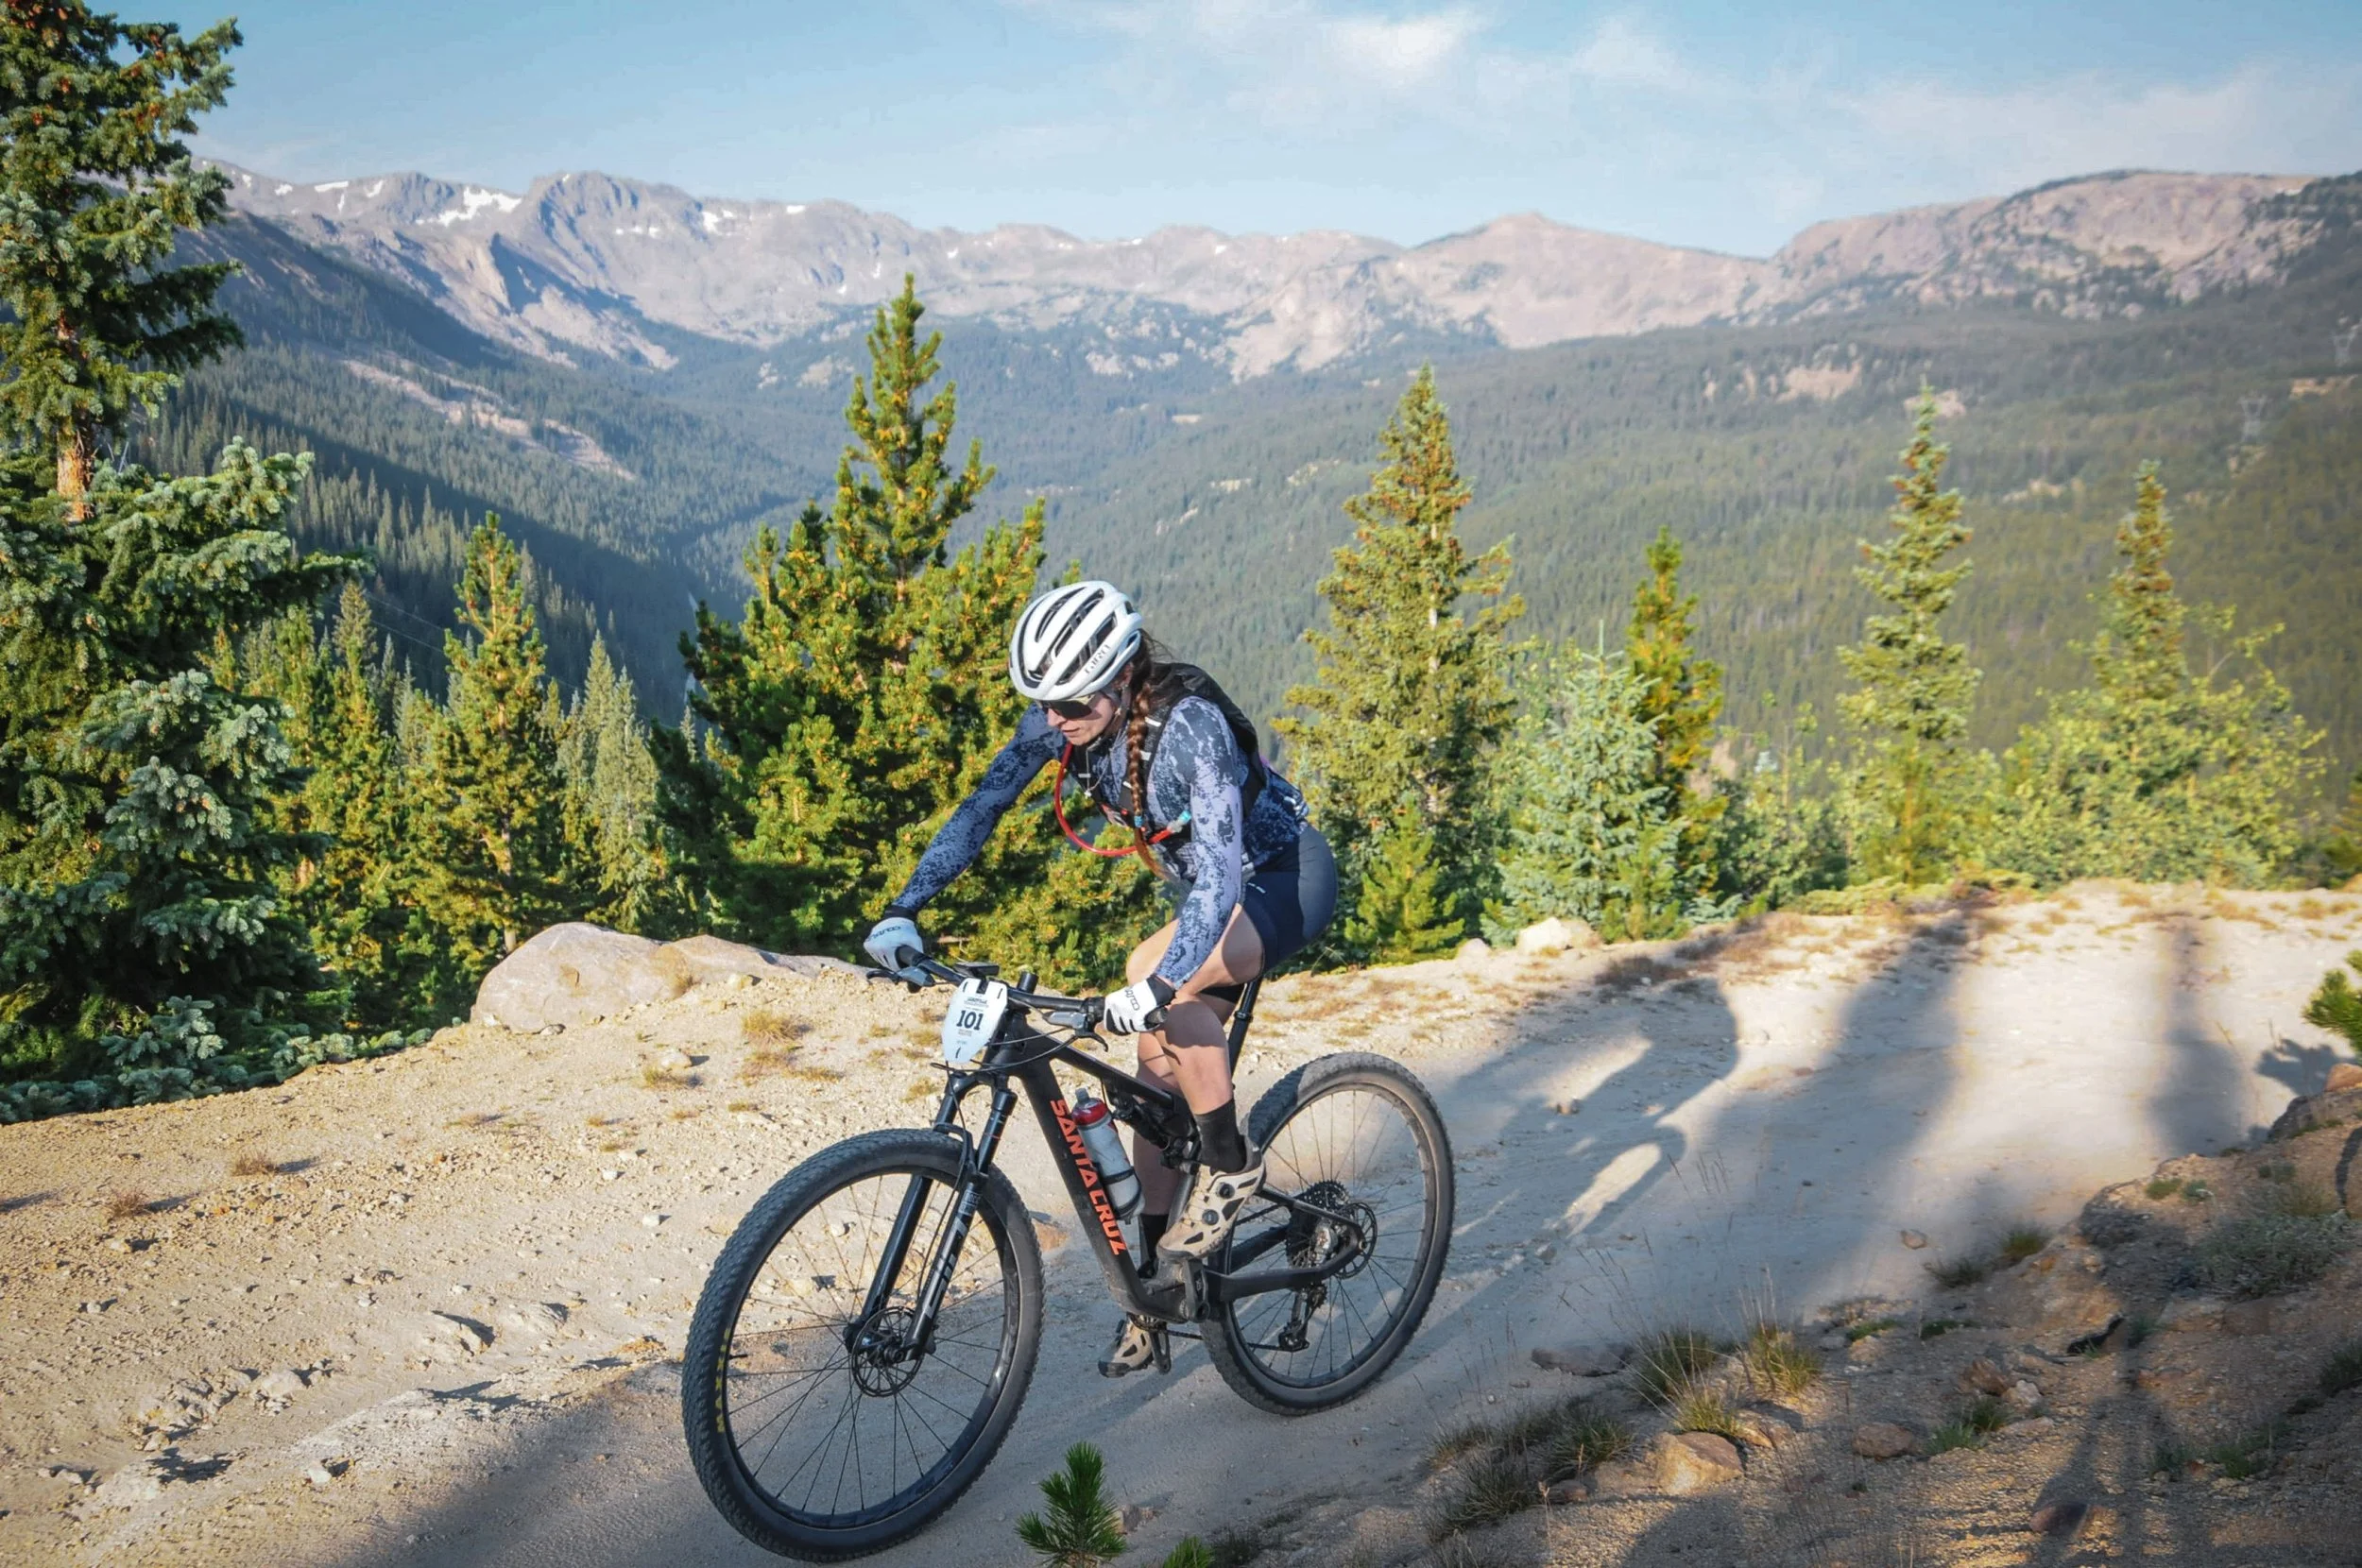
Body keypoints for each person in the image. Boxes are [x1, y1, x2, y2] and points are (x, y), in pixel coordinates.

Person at [863, 580, 1337, 1377]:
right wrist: (904, 907)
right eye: (1043, 703)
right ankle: (1155, 1285)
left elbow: (1221, 880)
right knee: (1156, 1094)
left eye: (1073, 704)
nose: (1057, 721)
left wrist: (1159, 984)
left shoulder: (1193, 729)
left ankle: (1230, 1166)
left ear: (1123, 676)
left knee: (1152, 976)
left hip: (1281, 878)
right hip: (1214, 897)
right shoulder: (1064, 721)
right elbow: (980, 810)